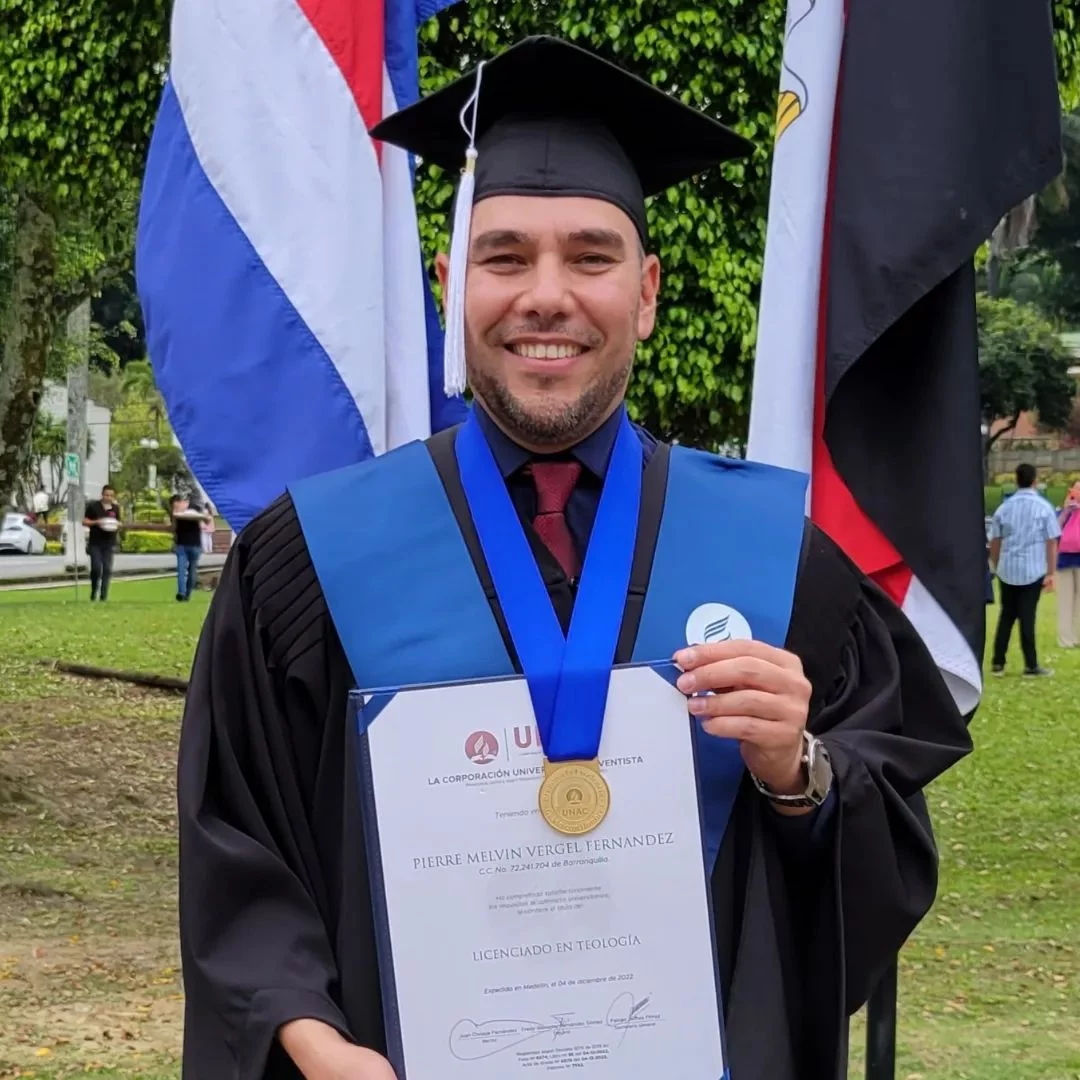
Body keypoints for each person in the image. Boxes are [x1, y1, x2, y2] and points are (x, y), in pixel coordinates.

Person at [176, 37, 972, 1080]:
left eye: (590, 257)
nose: (545, 296)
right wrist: (311, 1041)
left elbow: (879, 852)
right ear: (450, 282)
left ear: (644, 293)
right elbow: (239, 842)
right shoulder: (314, 557)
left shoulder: (777, 560)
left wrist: (800, 772)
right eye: (504, 256)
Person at [988, 463, 1061, 675]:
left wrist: (994, 564)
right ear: (1035, 480)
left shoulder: (1004, 507)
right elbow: (1051, 541)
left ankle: (998, 662)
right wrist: (1050, 572)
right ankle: (1031, 664)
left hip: (1007, 569)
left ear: (1016, 480)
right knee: (1028, 616)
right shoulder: (1044, 507)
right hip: (1033, 569)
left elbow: (995, 540)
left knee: (1007, 615)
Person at [83, 484, 120, 602]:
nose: (108, 497)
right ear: (102, 494)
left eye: (111, 495)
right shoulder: (93, 506)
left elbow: (118, 522)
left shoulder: (115, 508)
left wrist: (117, 525)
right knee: (96, 568)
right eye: (106, 495)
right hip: (95, 542)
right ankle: (94, 591)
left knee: (107, 569)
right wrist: (97, 522)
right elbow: (85, 521)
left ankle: (104, 596)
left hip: (109, 543)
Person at [170, 494, 211, 602]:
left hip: (188, 545)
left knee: (185, 571)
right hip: (189, 545)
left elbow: (173, 528)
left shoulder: (188, 512)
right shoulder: (193, 512)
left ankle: (184, 594)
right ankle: (184, 594)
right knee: (188, 571)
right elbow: (207, 520)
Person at [1055, 480, 1080, 648]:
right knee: (1065, 600)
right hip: (1064, 559)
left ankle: (1077, 636)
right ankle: (1065, 638)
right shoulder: (1064, 510)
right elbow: (1054, 529)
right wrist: (1066, 511)